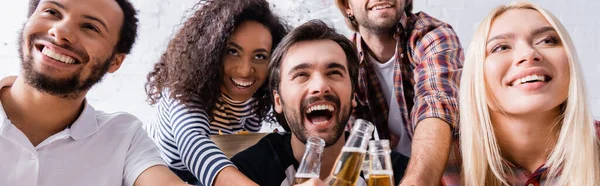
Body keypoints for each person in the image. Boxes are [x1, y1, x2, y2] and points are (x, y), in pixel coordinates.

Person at [0, 0, 189, 185]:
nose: (60, 31)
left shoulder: (125, 137)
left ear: (115, 62)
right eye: (52, 12)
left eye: (90, 27)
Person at [230, 19, 409, 186]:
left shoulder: (397, 172)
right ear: (278, 101)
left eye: (333, 73)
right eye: (301, 75)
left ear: (353, 95)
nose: (320, 86)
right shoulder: (249, 171)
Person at [442, 2, 600, 185]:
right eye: (501, 47)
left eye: (547, 40)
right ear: (476, 76)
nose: (529, 53)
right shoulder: (438, 163)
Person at [143, 0, 288, 185]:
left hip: (215, 164)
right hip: (162, 168)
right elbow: (195, 146)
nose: (245, 70)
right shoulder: (184, 92)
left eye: (259, 56)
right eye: (233, 52)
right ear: (211, 51)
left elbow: (240, 144)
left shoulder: (258, 97)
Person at [334, 0, 464, 184]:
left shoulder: (432, 35)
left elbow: (436, 105)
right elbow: (349, 144)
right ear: (347, 5)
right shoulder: (344, 61)